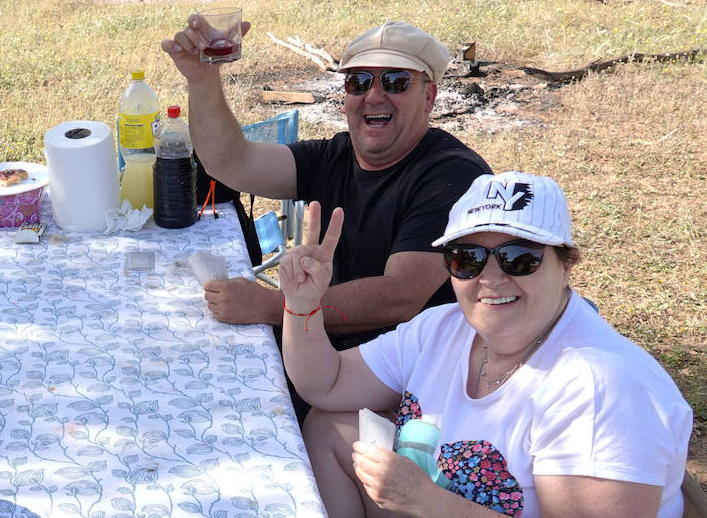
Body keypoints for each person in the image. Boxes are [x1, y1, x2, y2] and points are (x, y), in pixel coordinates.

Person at [281, 172, 691, 518]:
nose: (490, 278)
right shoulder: (447, 328)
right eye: (467, 258)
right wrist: (303, 308)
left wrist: (427, 502)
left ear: (565, 263)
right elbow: (325, 385)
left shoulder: (600, 387)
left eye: (519, 258)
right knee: (333, 425)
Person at [161, 19, 491, 353]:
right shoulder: (335, 156)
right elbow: (232, 162)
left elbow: (399, 297)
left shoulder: (454, 177)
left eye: (396, 81)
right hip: (325, 352)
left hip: (405, 381)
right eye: (358, 82)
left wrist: (274, 305)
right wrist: (202, 79)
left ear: (429, 96)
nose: (374, 95)